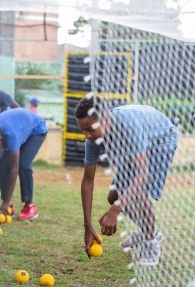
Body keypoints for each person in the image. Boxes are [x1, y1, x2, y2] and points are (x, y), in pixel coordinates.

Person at [75, 96, 178, 267]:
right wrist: (87, 225)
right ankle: (150, 231)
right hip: (139, 145)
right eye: (83, 130)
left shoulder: (129, 126)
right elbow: (87, 180)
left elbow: (142, 176)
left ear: (105, 119)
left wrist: (115, 211)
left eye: (90, 129)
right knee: (114, 196)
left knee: (137, 193)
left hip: (161, 140)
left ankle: (150, 243)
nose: (87, 135)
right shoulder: (92, 140)